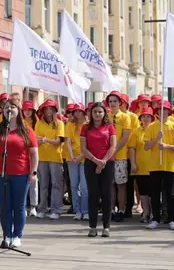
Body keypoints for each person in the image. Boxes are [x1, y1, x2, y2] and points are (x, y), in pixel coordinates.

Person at [0, 98, 38, 248]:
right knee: (5, 206)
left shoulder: (27, 131)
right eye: (6, 107)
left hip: (21, 173)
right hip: (0, 173)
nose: (9, 109)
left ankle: (17, 235)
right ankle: (7, 235)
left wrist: (33, 172)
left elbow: (34, 153)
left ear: (18, 110)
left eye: (13, 107)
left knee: (19, 205)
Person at [144, 100, 174, 230]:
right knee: (155, 193)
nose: (163, 113)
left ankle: (172, 219)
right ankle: (155, 219)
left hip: (170, 166)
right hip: (155, 166)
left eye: (165, 110)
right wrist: (156, 139)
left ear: (168, 112)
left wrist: (167, 146)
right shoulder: (151, 127)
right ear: (157, 112)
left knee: (171, 194)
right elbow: (146, 146)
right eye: (160, 110)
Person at [80, 102, 116, 237]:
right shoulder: (85, 128)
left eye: (100, 112)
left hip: (108, 163)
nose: (97, 114)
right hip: (90, 163)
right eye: (95, 112)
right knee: (93, 195)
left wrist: (103, 162)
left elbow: (112, 146)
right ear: (91, 113)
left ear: (104, 113)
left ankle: (106, 226)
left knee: (107, 195)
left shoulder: (110, 127)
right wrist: (96, 161)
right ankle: (93, 226)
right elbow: (83, 148)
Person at [35, 99, 65, 220]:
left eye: (51, 109)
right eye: (46, 108)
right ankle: (42, 209)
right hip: (42, 157)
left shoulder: (59, 123)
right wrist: (40, 141)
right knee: (43, 184)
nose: (48, 111)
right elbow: (36, 139)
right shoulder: (39, 123)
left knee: (56, 184)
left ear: (54, 110)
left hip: (55, 158)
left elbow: (58, 141)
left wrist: (46, 140)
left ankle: (56, 209)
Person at [106, 91, 131, 222]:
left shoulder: (125, 117)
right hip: (108, 157)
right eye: (110, 101)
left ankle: (121, 210)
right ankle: (111, 209)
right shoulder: (106, 117)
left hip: (120, 156)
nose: (113, 104)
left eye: (115, 101)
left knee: (121, 185)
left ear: (120, 102)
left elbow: (125, 137)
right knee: (110, 184)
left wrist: (114, 150)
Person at [128, 107, 154, 223]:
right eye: (144, 116)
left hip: (154, 167)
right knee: (143, 192)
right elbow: (132, 149)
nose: (146, 118)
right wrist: (133, 163)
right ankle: (145, 213)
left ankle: (153, 213)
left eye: (148, 116)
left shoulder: (155, 130)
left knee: (153, 192)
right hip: (140, 167)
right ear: (140, 118)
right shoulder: (136, 132)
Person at [66, 103, 89, 221]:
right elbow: (68, 141)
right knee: (74, 185)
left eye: (80, 111)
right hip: (72, 159)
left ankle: (85, 210)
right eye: (75, 111)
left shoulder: (88, 124)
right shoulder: (70, 124)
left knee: (84, 186)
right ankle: (77, 210)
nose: (77, 113)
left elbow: (89, 144)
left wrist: (80, 156)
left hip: (85, 158)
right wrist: (71, 155)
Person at [120, 93, 140, 218]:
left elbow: (135, 134)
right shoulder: (113, 116)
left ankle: (128, 207)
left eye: (121, 102)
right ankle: (120, 206)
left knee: (129, 182)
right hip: (118, 154)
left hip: (130, 153)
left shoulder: (132, 117)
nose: (119, 104)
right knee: (120, 183)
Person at [22, 100, 38, 216]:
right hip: (23, 155)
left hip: (35, 154)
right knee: (23, 181)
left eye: (29, 110)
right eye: (25, 110)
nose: (27, 112)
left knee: (34, 180)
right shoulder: (20, 122)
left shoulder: (37, 122)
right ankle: (23, 205)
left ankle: (33, 206)